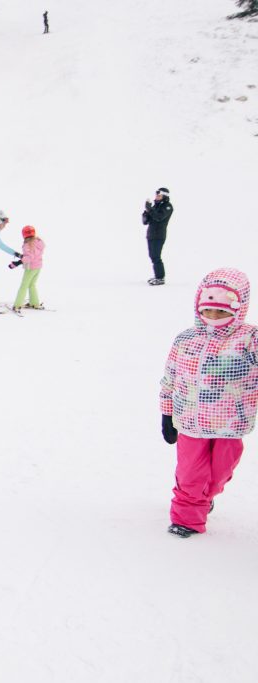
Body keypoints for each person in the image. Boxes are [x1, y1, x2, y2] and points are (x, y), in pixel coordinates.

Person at [159, 268, 258, 538]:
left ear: (238, 310)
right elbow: (170, 378)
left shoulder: (250, 340)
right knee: (190, 473)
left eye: (222, 312)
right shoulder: (186, 339)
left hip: (231, 424)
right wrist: (167, 414)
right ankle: (186, 518)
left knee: (218, 474)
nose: (214, 318)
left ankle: (206, 495)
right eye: (208, 311)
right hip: (189, 422)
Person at [142, 187, 174, 286]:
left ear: (164, 196)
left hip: (159, 235)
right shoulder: (155, 206)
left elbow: (159, 217)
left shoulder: (167, 206)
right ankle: (158, 276)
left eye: (159, 195)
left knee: (156, 256)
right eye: (156, 195)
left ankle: (160, 278)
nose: (157, 197)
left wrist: (150, 209)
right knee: (152, 256)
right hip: (151, 234)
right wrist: (146, 213)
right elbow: (145, 222)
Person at [11, 225, 46, 310]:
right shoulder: (38, 241)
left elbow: (29, 257)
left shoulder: (28, 245)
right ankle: (34, 303)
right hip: (38, 267)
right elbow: (33, 255)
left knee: (24, 285)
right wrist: (21, 256)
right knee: (32, 285)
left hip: (30, 268)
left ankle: (17, 305)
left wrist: (17, 262)